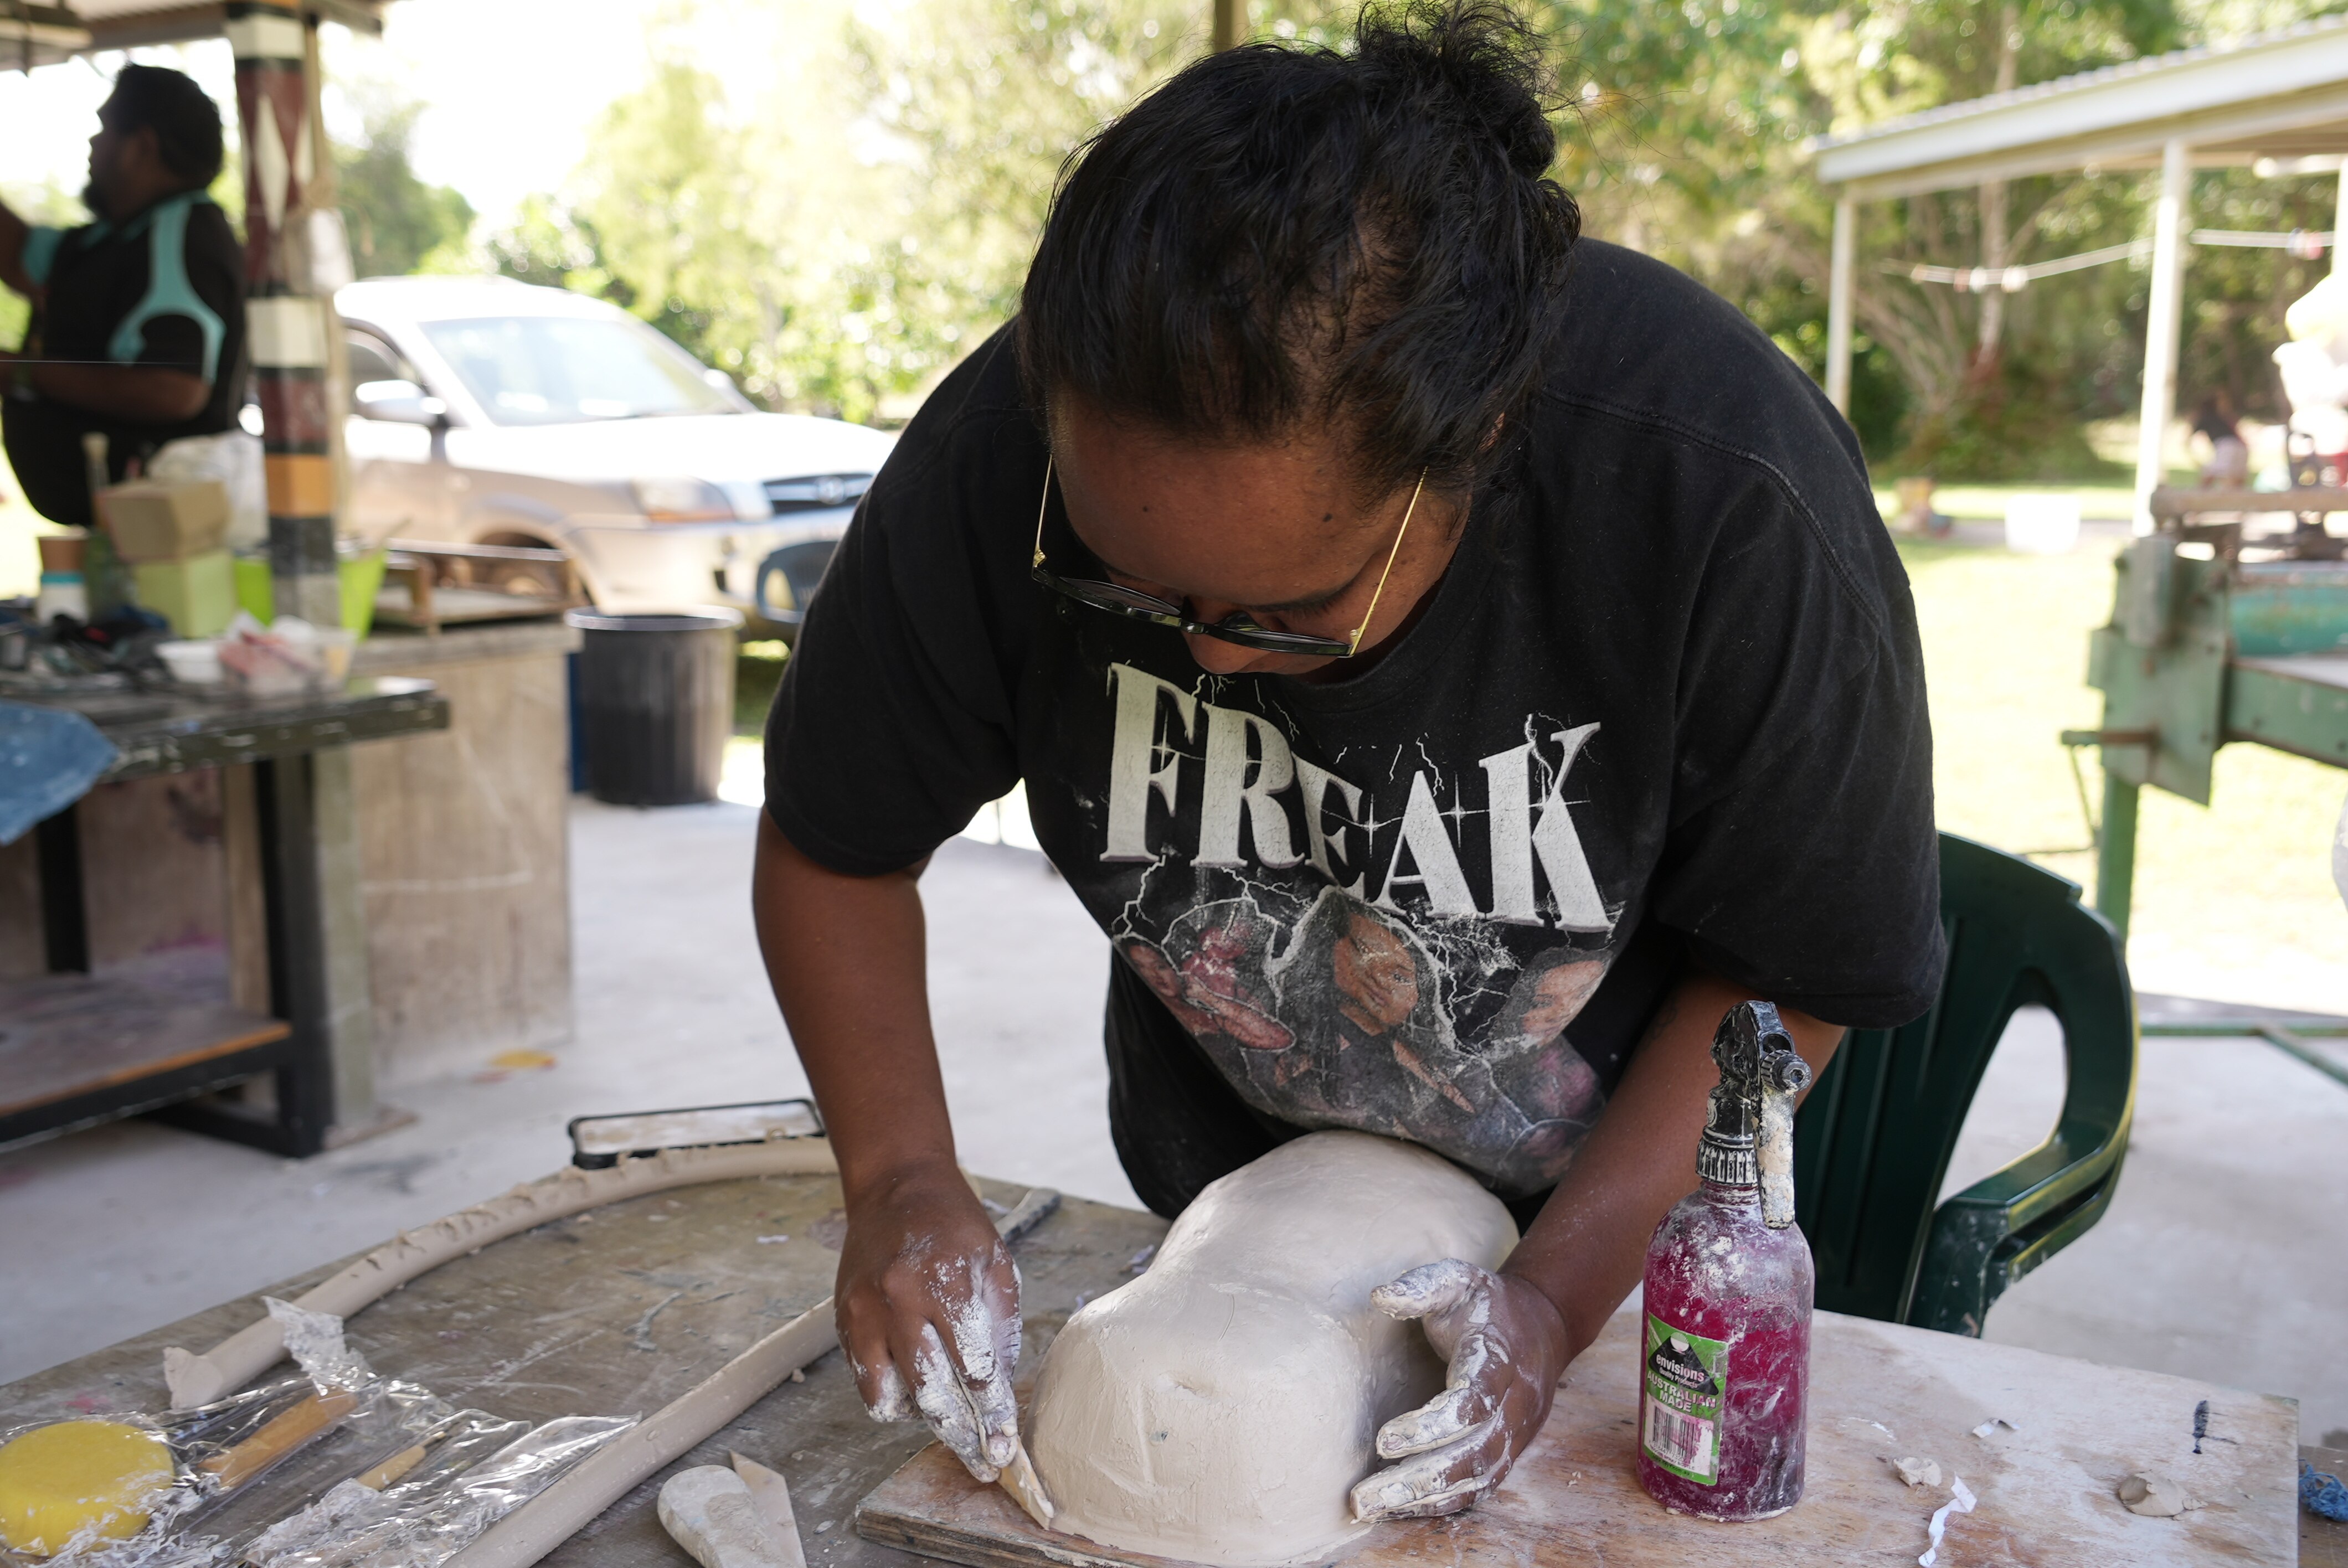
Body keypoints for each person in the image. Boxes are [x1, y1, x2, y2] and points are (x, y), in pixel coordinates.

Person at [755, 0, 1943, 1525]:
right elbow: (834, 844)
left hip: (1635, 1242)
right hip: (1227, 1221)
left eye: (1289, 614)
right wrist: (902, 1177)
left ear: (1482, 442)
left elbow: (1799, 970)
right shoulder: (1015, 451)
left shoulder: (1719, 493)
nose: (1208, 660)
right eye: (1137, 590)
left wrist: (1551, 1304)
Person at [0, 64, 247, 527]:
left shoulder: (179, 233)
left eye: (104, 129)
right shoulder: (112, 240)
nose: (93, 145)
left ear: (142, 146)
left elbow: (175, 390)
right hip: (117, 527)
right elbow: (18, 258)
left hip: (160, 531)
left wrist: (25, 373)